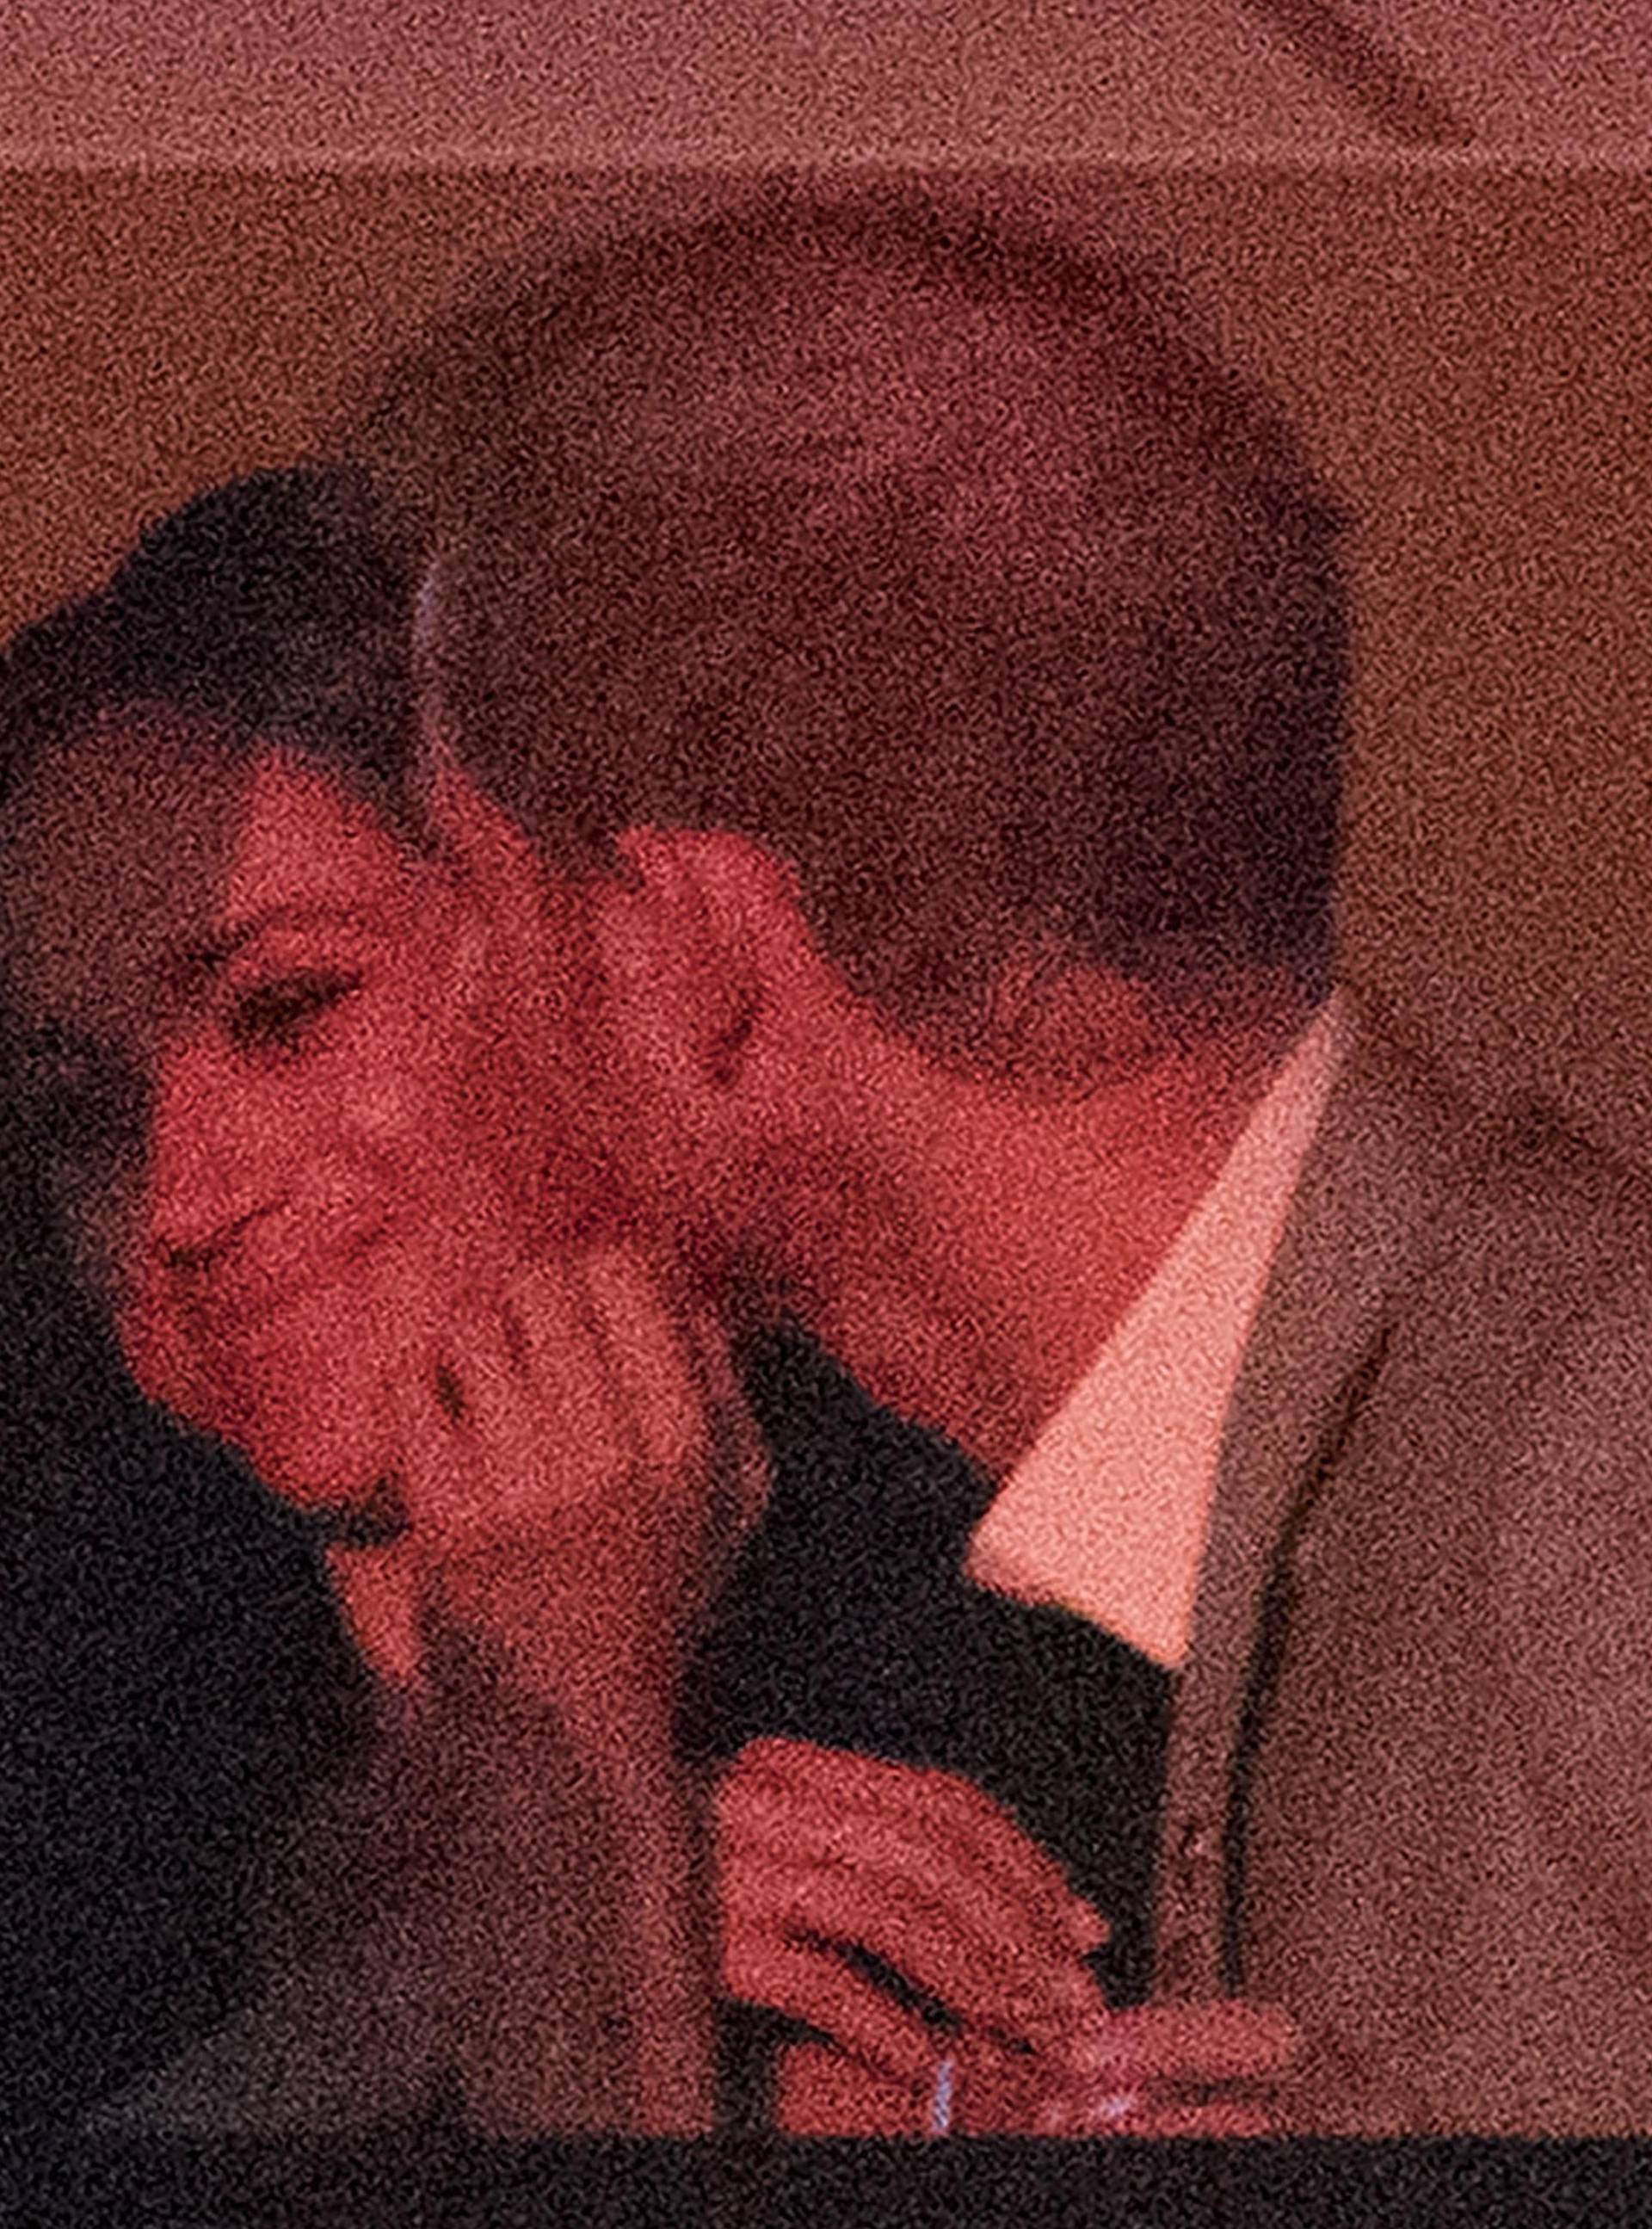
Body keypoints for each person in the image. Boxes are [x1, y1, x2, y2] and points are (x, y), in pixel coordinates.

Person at [341, 177, 1652, 2135]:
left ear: (691, 959)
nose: (456, 1025)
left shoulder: (1597, 1439)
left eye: (483, 898)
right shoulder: (1350, 1480)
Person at [0, 464, 1154, 2143]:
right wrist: (561, 1875)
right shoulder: (66, 1716)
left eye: (287, 1010)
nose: (176, 1196)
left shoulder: (1038, 1618)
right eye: (87, 1108)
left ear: (578, 938)